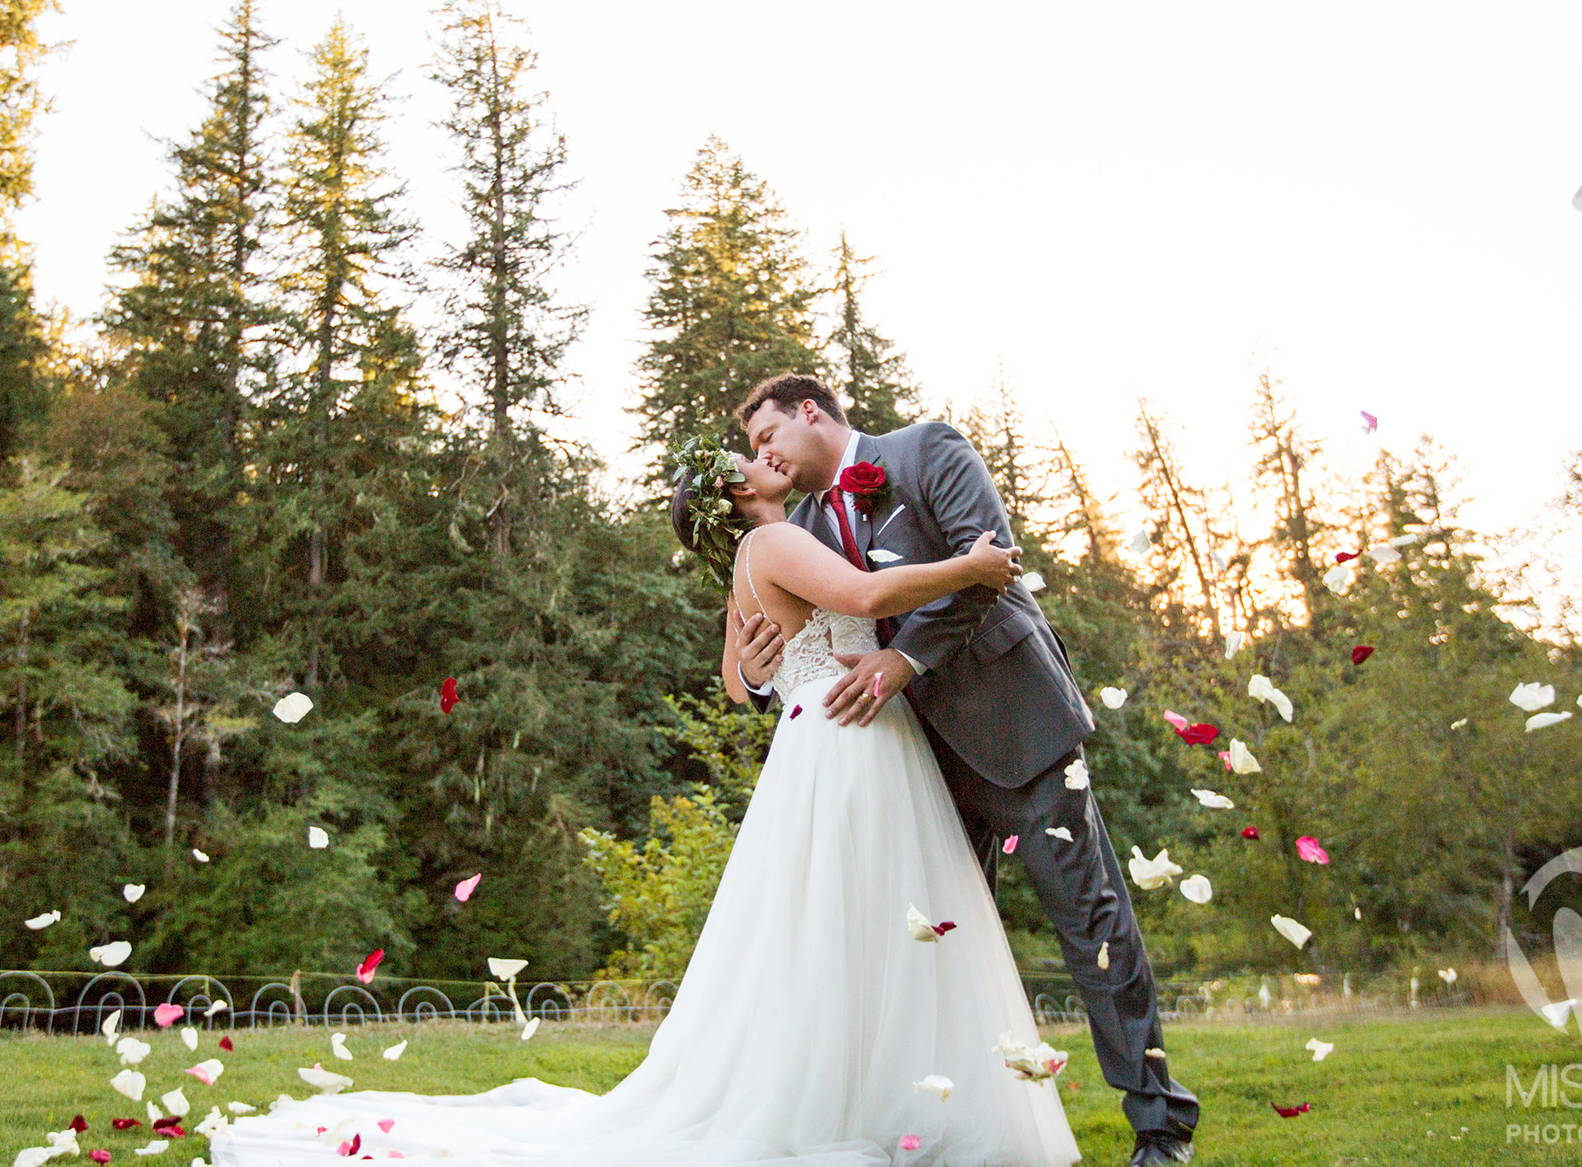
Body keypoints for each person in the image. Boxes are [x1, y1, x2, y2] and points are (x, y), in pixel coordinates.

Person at [212, 430, 1079, 1166]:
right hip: (851, 745)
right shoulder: (774, 544)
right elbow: (858, 596)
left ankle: (867, 1100)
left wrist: (750, 669)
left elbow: (736, 681)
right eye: (750, 455)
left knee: (844, 926)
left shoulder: (764, 551)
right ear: (736, 492)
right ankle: (881, 1105)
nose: (766, 454)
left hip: (833, 739)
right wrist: (970, 565)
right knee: (871, 919)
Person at [726, 374, 1198, 1167]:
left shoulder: (928, 448)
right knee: (933, 955)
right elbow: (788, 649)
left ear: (812, 410)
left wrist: (905, 657)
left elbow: (992, 566)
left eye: (768, 434)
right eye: (752, 450)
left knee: (1092, 925)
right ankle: (953, 1129)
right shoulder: (793, 527)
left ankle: (1160, 1127)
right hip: (906, 771)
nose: (762, 454)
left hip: (1016, 730)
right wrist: (756, 664)